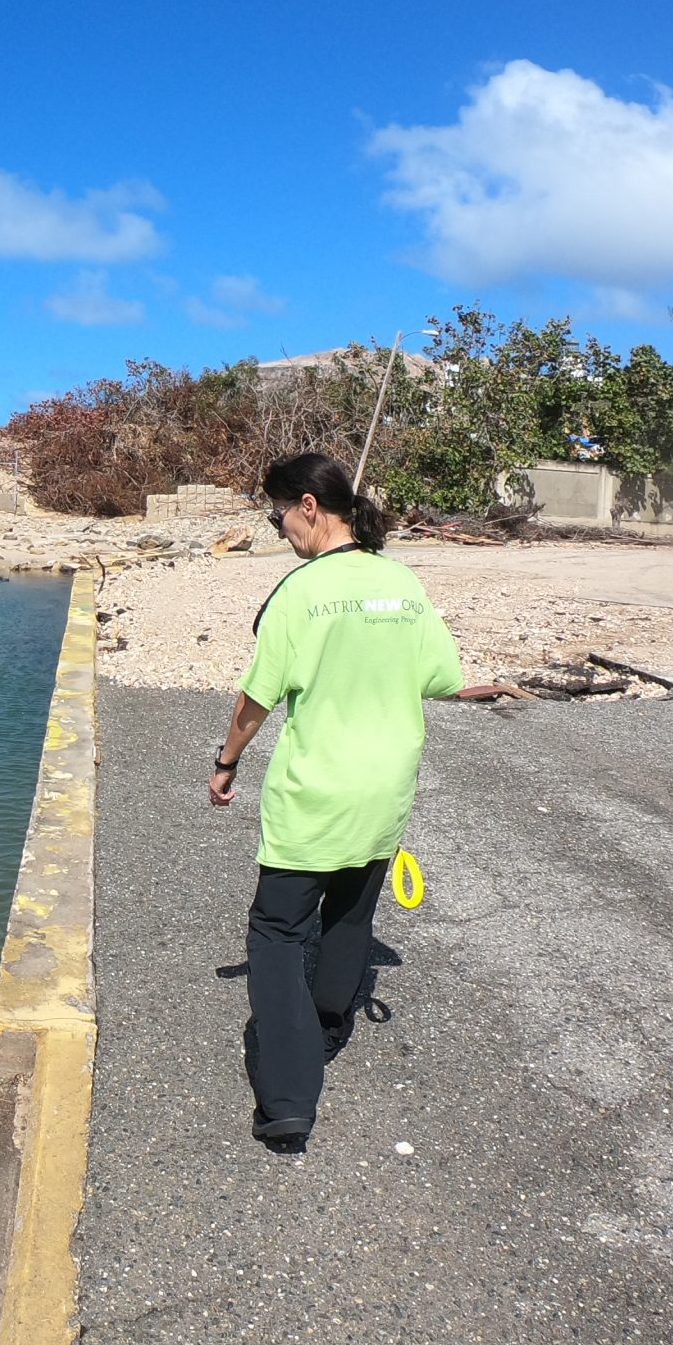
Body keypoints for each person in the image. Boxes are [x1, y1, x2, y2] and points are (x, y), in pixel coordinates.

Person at [207, 451, 466, 1156]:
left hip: (319, 789)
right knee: (351, 908)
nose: (279, 528)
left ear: (309, 507)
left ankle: (289, 1098)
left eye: (277, 513)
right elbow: (443, 677)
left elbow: (256, 698)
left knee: (277, 930)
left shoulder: (300, 592)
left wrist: (226, 764)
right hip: (386, 784)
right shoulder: (404, 583)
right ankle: (327, 1018)